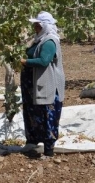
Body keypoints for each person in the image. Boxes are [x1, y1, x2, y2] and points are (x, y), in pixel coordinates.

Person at [19, 11, 65, 159]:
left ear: (44, 25)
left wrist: (25, 62)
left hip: (47, 86)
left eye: (37, 24)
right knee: (33, 114)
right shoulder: (39, 40)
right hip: (34, 86)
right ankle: (32, 142)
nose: (35, 27)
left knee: (47, 116)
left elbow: (44, 61)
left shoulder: (50, 41)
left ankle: (49, 150)